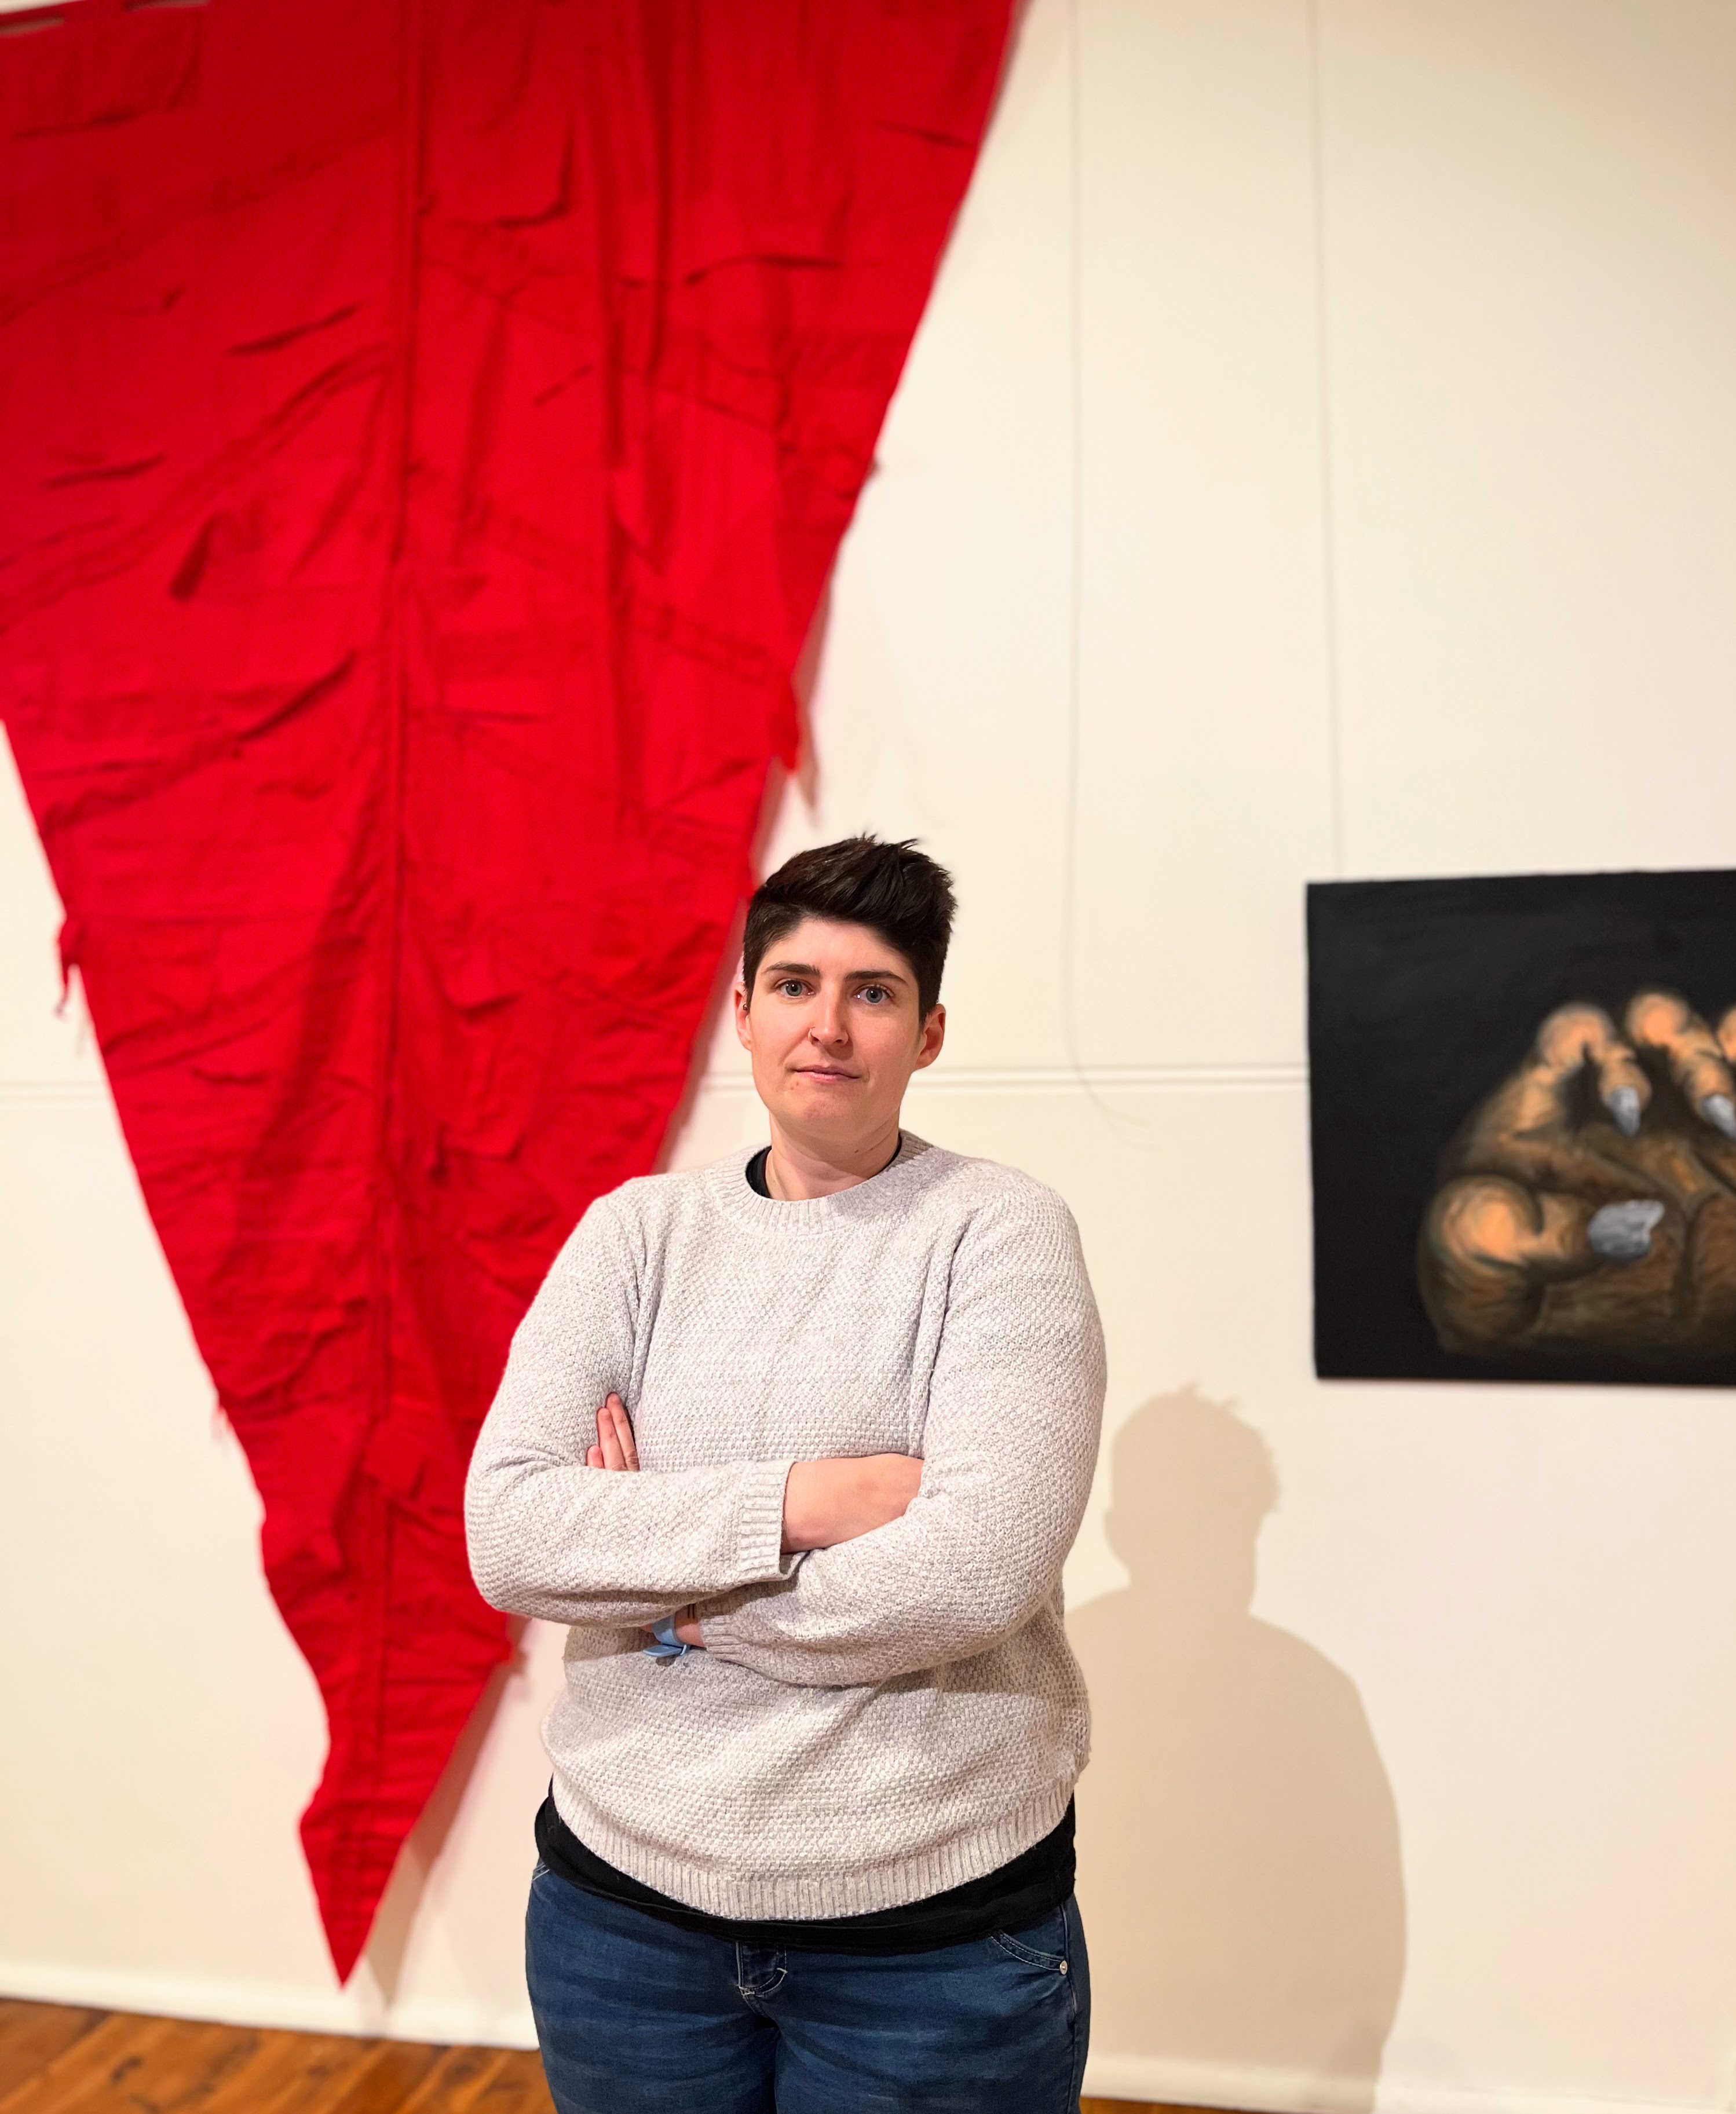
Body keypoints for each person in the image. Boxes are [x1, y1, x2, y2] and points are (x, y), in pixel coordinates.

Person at [465, 835, 1106, 2113]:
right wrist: (803, 1502)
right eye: (796, 984)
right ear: (744, 1012)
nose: (829, 1023)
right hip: (620, 1925)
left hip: (929, 1944)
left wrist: (667, 1594)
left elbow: (972, 1573)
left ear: (925, 1034)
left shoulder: (999, 1232)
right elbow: (511, 1532)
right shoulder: (634, 1235)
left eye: (871, 991)